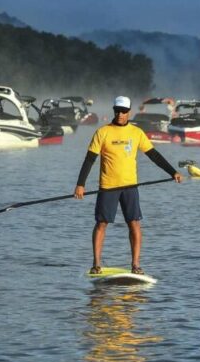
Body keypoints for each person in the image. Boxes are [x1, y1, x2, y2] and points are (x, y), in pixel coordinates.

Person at [75, 96, 182, 275]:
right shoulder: (103, 132)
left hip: (130, 186)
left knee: (134, 223)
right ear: (114, 110)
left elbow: (154, 155)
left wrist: (173, 172)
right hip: (108, 186)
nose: (120, 114)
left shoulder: (136, 133)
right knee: (101, 224)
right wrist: (80, 184)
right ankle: (96, 264)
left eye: (124, 111)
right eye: (117, 110)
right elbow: (89, 160)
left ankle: (135, 265)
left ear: (129, 112)